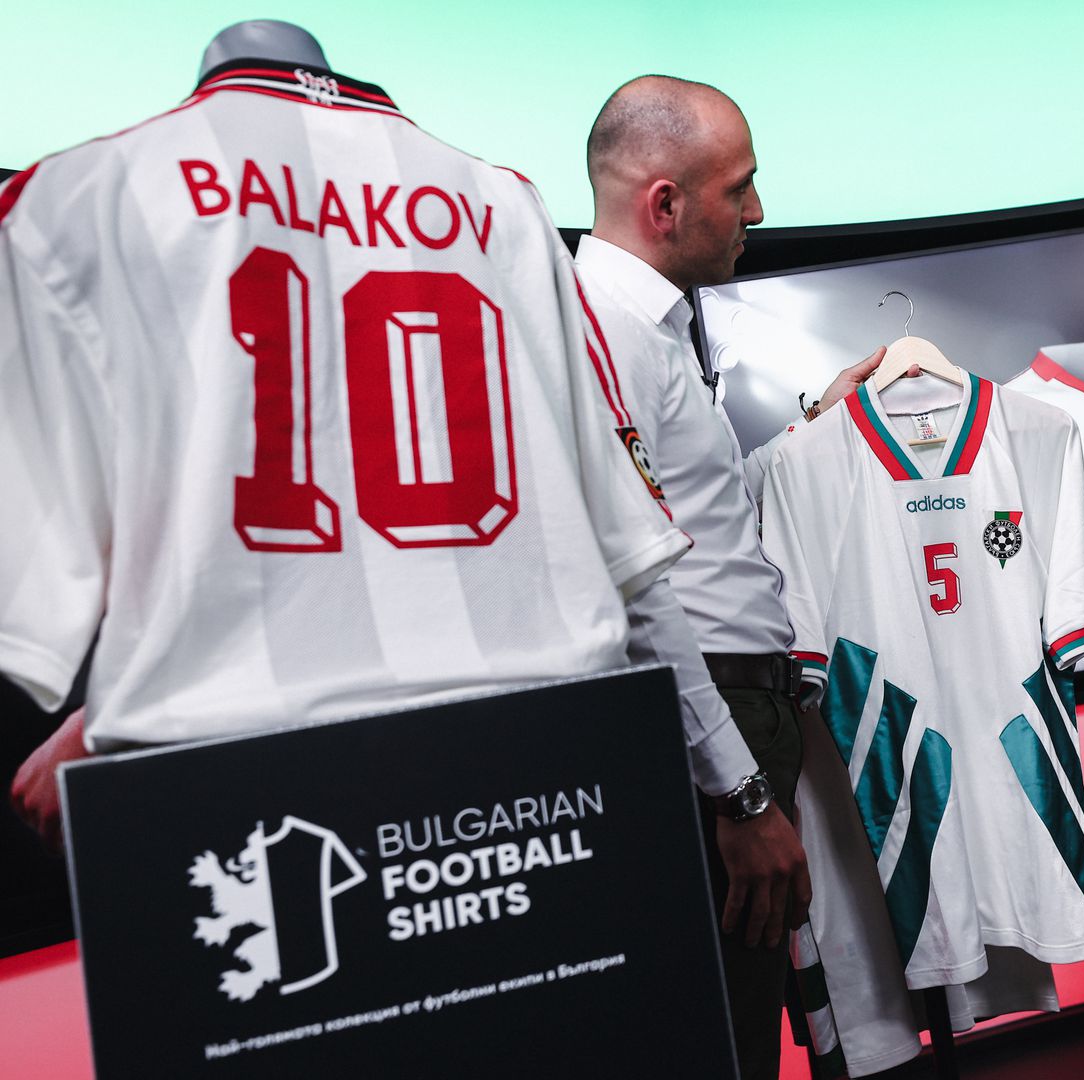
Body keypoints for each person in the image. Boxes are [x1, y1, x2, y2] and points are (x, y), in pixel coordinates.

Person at [0, 22, 750, 962]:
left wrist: (99, 715)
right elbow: (626, 557)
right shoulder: (505, 204)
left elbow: (43, 596)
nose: (755, 210)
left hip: (233, 774)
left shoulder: (74, 197)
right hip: (529, 757)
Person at [575, 74, 886, 1079]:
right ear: (664, 204)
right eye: (738, 187)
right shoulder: (604, 331)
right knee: (725, 1022)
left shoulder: (647, 327)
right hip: (706, 722)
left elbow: (693, 517)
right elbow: (633, 581)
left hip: (728, 717)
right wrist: (739, 796)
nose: (757, 210)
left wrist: (812, 430)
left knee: (742, 1007)